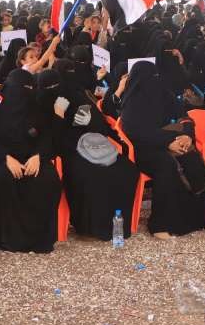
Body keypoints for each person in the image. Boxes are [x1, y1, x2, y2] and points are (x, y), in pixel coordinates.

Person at [43, 61, 140, 240]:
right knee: (92, 175)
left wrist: (88, 121)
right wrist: (58, 116)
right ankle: (91, 226)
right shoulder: (44, 101)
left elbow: (100, 126)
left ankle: (117, 224)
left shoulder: (79, 95)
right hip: (68, 151)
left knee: (126, 170)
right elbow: (51, 140)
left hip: (94, 144)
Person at [0, 69, 62, 253]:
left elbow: (47, 136)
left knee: (48, 178)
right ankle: (6, 238)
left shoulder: (35, 106)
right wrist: (5, 157)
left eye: (30, 89)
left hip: (31, 157)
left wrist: (39, 156)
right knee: (2, 180)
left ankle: (40, 238)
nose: (26, 94)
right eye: (22, 89)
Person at [120, 61, 205, 239]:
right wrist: (167, 142)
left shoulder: (162, 93)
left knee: (192, 159)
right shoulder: (131, 103)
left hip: (167, 140)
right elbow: (137, 133)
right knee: (166, 166)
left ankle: (192, 219)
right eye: (151, 77)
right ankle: (160, 224)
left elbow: (185, 115)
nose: (155, 80)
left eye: (156, 76)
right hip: (143, 149)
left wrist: (187, 136)